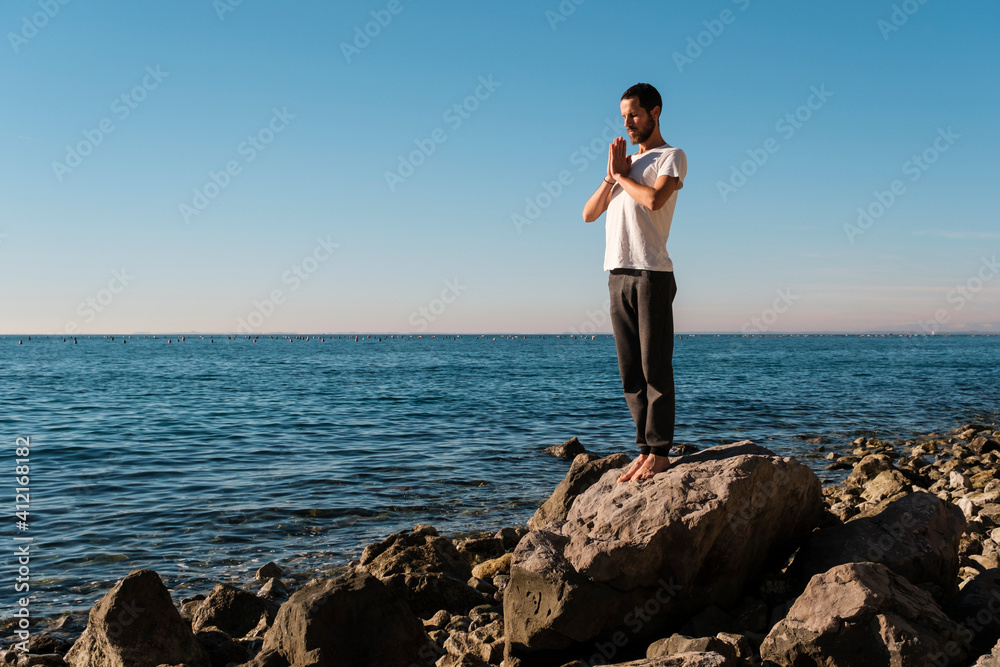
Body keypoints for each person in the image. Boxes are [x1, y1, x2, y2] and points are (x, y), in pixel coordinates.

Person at [581, 83, 687, 483]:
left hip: (651, 273)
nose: (627, 123)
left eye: (635, 115)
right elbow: (589, 214)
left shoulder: (670, 157)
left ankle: (660, 452)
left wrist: (624, 177)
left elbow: (654, 201)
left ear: (655, 112)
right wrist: (611, 178)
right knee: (630, 372)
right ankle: (644, 448)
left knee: (654, 366)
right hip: (617, 274)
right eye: (624, 116)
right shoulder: (622, 171)